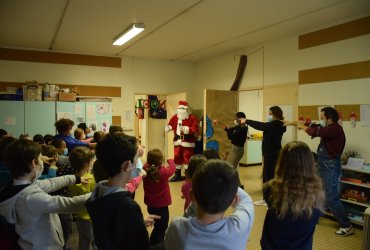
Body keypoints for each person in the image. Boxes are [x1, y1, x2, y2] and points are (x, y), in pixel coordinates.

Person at [0, 139, 91, 250]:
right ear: (34, 163)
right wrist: (99, 193)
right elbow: (68, 204)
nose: (42, 162)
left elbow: (50, 183)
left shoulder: (14, 186)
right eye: (40, 159)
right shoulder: (30, 197)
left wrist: (75, 178)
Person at [85, 133, 159, 250]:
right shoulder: (128, 206)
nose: (137, 163)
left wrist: (136, 222)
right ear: (126, 166)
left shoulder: (98, 191)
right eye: (136, 158)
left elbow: (111, 226)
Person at [286, 107, 352, 236]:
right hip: (323, 164)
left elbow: (312, 131)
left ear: (329, 118)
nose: (320, 120)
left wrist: (303, 128)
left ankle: (346, 225)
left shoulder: (335, 129)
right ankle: (315, 215)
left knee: (331, 198)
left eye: (322, 118)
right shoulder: (327, 127)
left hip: (330, 167)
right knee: (318, 192)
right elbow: (310, 125)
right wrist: (293, 123)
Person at [165, 159, 254, 250]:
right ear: (233, 200)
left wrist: (209, 181)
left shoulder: (177, 229)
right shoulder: (239, 228)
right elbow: (246, 200)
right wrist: (224, 183)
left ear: (192, 196)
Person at [260, 141, 325, 250]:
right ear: (310, 163)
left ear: (282, 162)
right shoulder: (317, 191)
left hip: (272, 245)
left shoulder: (270, 188)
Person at [240, 106, 286, 206]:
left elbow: (260, 125)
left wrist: (247, 120)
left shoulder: (274, 125)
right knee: (272, 175)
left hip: (270, 154)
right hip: (274, 153)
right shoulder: (281, 124)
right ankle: (271, 197)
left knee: (268, 176)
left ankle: (267, 199)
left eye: (270, 114)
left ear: (275, 114)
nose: (269, 116)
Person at [143, 149, 176, 246]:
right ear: (160, 161)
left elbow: (145, 164)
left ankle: (154, 243)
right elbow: (173, 168)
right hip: (162, 207)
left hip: (150, 205)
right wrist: (170, 160)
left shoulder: (145, 169)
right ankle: (156, 245)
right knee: (161, 228)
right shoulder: (164, 172)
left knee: (157, 226)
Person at [69, 147, 97, 250]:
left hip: (80, 218)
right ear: (87, 163)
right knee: (96, 244)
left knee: (83, 242)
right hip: (91, 220)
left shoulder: (71, 179)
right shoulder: (91, 179)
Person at [165, 100, 199, 182]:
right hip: (177, 141)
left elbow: (195, 129)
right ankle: (177, 175)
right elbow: (171, 123)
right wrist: (169, 127)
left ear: (186, 110)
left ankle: (188, 175)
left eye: (182, 109)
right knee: (177, 157)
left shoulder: (192, 118)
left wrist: (186, 129)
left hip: (188, 141)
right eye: (179, 109)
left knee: (187, 158)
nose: (181, 111)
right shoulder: (175, 117)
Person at [214, 112, 248, 188]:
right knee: (232, 168)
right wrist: (219, 123)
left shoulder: (243, 128)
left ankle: (235, 186)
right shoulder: (238, 127)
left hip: (237, 150)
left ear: (241, 119)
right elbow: (227, 128)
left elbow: (230, 136)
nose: (235, 120)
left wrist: (228, 130)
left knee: (230, 168)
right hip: (234, 148)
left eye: (236, 118)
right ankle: (238, 186)